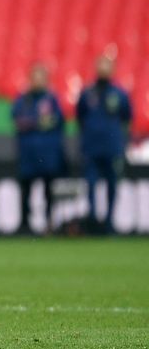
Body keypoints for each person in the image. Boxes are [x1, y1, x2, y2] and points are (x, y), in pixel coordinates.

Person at [76, 55, 132, 235]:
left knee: (112, 184)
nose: (103, 69)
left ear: (112, 69)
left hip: (112, 147)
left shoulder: (119, 94)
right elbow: (81, 117)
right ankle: (92, 220)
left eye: (106, 65)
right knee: (90, 184)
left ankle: (109, 222)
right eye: (100, 65)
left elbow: (126, 117)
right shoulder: (87, 93)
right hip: (92, 147)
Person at [11, 63, 65, 235]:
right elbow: (18, 119)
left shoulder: (51, 99)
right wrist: (38, 122)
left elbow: (57, 121)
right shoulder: (23, 99)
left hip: (47, 154)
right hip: (28, 154)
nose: (37, 81)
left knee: (48, 190)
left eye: (40, 77)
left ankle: (49, 223)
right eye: (34, 77)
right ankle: (25, 224)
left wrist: (34, 122)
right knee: (26, 189)